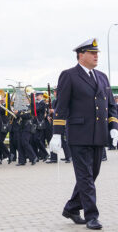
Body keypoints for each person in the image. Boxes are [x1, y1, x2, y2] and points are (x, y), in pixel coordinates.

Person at [49, 38, 118, 230]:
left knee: (91, 175)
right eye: (92, 53)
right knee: (86, 177)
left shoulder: (102, 77)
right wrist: (56, 133)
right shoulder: (69, 76)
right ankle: (91, 216)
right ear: (81, 55)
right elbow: (61, 107)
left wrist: (114, 127)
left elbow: (111, 106)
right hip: (79, 135)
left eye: (97, 53)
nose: (96, 56)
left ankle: (71, 207)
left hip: (99, 135)